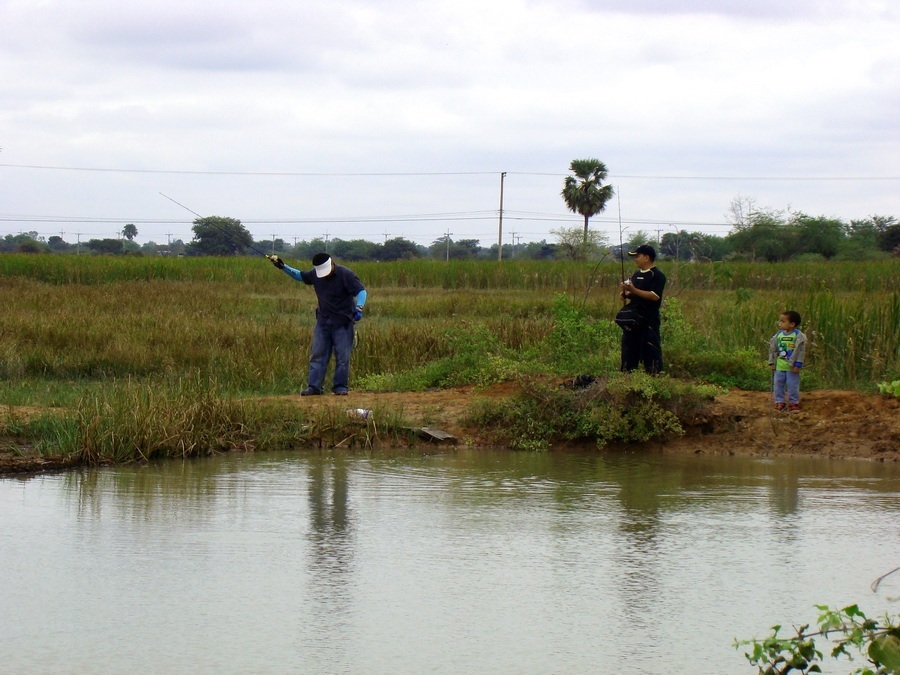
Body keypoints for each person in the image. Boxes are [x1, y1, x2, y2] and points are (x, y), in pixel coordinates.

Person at [271, 252, 367, 396]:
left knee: (342, 357)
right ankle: (314, 387)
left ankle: (340, 387)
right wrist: (282, 267)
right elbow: (300, 276)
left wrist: (359, 308)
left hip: (342, 322)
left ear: (332, 264)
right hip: (323, 321)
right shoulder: (315, 274)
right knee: (318, 355)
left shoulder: (346, 274)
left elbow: (361, 291)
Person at [618, 244, 666, 374]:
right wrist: (626, 294)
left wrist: (633, 290)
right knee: (629, 349)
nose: (635, 259)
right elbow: (636, 294)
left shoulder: (657, 275)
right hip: (633, 319)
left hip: (649, 320)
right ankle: (627, 375)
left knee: (650, 350)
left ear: (646, 257)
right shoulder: (636, 274)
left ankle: (654, 376)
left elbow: (654, 296)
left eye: (637, 256)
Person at [768, 310, 807, 413]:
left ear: (792, 324)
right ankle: (780, 402)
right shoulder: (778, 335)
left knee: (792, 385)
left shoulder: (798, 336)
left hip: (791, 367)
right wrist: (771, 362)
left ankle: (794, 403)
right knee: (778, 384)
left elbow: (801, 352)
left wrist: (798, 364)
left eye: (783, 321)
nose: (780, 323)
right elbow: (773, 349)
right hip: (779, 366)